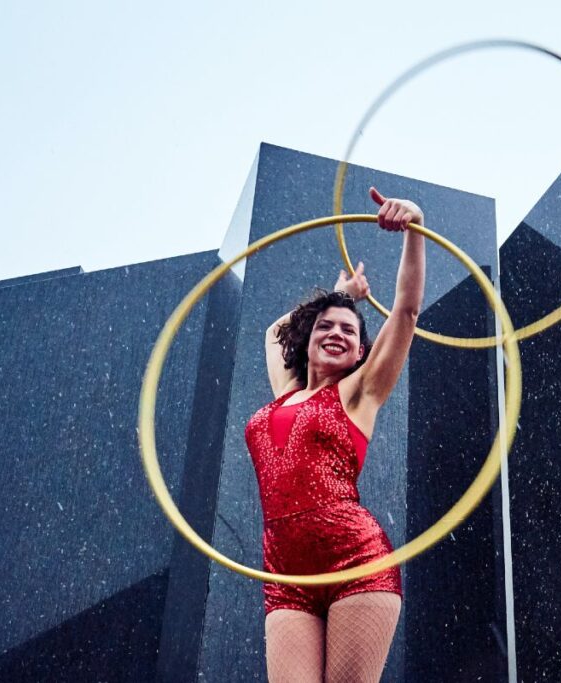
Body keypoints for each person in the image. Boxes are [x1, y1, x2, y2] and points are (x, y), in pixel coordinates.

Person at [245, 186, 425, 682]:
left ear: (361, 352)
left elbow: (406, 312)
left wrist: (415, 227)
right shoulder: (285, 389)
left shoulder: (359, 393)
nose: (337, 333)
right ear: (308, 339)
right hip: (286, 575)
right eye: (326, 325)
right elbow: (273, 331)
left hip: (355, 560)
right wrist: (343, 293)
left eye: (349, 330)